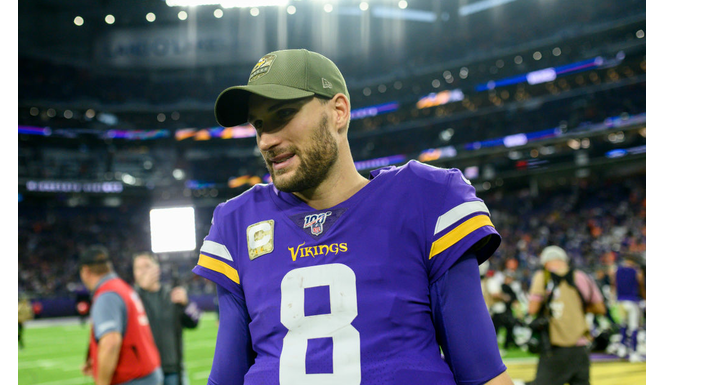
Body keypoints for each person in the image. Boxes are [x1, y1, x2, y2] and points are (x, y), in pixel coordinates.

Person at [192, 48, 514, 385]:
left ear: (339, 111)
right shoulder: (236, 222)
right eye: (258, 124)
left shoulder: (426, 198)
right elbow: (225, 378)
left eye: (283, 114)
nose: (267, 140)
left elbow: (484, 374)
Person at [79, 245, 163, 385]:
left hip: (133, 377)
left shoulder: (107, 294)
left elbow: (110, 342)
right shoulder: (122, 287)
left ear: (86, 271)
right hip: (147, 371)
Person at [526, 246, 606, 385]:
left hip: (555, 347)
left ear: (545, 262)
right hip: (581, 346)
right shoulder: (582, 276)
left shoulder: (543, 276)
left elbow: (532, 309)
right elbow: (600, 308)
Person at [133, 252, 201, 385]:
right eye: (138, 268)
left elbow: (195, 321)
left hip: (173, 370)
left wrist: (186, 304)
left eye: (146, 266)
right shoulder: (132, 298)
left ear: (157, 269)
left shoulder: (172, 294)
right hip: (144, 373)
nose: (142, 272)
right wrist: (141, 291)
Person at [609, 254, 645, 362]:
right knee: (634, 327)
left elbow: (613, 285)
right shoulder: (636, 271)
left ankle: (622, 349)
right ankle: (634, 352)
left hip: (620, 301)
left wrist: (613, 299)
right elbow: (641, 285)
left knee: (623, 326)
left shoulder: (616, 270)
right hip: (632, 301)